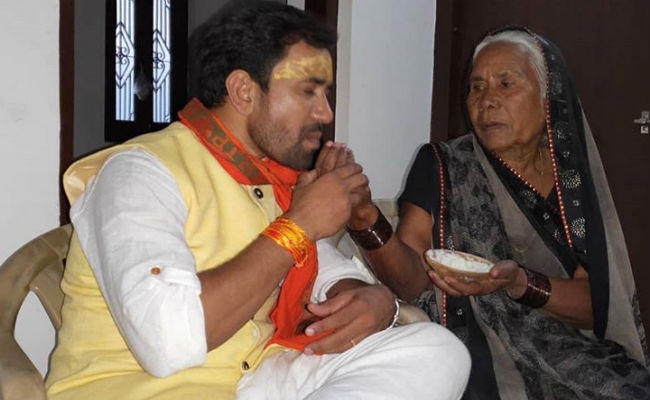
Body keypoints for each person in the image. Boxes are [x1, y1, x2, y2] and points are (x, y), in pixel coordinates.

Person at [45, 2, 470, 399]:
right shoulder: (137, 173)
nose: (325, 113)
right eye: (308, 92)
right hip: (143, 389)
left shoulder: (266, 178)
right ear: (244, 91)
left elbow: (322, 268)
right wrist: (299, 225)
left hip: (250, 378)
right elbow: (169, 342)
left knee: (438, 350)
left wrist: (372, 300)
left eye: (325, 95)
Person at [346, 27, 650, 399]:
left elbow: (597, 307)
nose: (486, 100)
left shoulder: (572, 181)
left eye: (506, 84)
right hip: (472, 345)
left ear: (548, 97)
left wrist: (520, 283)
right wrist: (367, 222)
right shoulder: (444, 165)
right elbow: (409, 282)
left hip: (564, 346)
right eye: (476, 87)